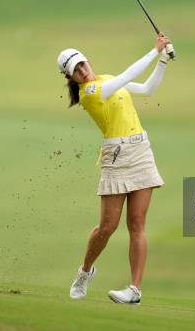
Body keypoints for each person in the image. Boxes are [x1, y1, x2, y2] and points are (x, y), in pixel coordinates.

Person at [57, 33, 172, 305]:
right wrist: (154, 51)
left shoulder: (105, 79)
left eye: (83, 64)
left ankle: (134, 290)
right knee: (107, 227)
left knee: (137, 224)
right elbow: (124, 78)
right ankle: (85, 272)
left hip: (141, 151)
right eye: (76, 71)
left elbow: (147, 90)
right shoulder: (90, 93)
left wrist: (164, 61)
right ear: (70, 78)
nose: (83, 72)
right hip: (116, 156)